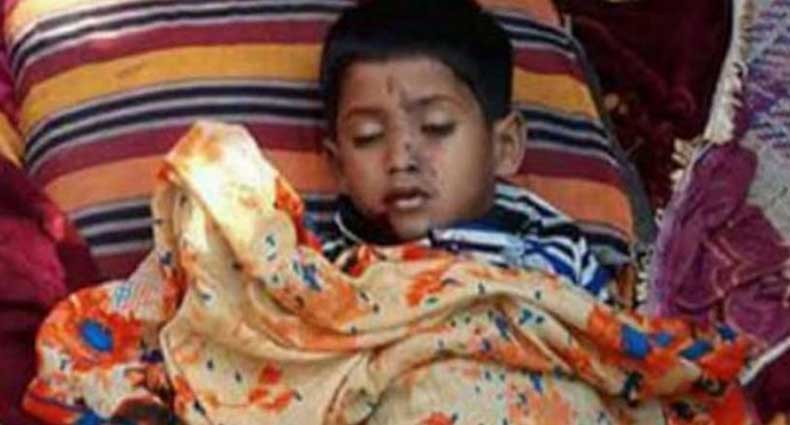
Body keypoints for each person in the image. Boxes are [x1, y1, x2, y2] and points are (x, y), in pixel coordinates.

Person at [311, 0, 611, 298]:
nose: (400, 160)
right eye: (368, 136)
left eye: (436, 126)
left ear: (504, 146)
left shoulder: (557, 252)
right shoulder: (323, 274)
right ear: (339, 167)